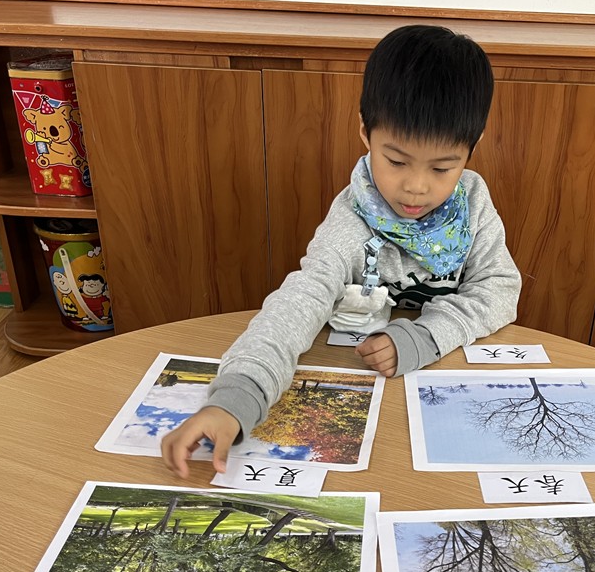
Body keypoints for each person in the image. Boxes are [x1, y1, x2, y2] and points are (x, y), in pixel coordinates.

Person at [161, 24, 522, 478]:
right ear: (365, 132)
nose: (415, 186)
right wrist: (238, 396)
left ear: (472, 149)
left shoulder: (472, 204)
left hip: (440, 383)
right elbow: (301, 300)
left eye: (442, 168)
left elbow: (499, 289)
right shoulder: (353, 218)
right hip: (360, 384)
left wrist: (426, 337)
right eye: (396, 161)